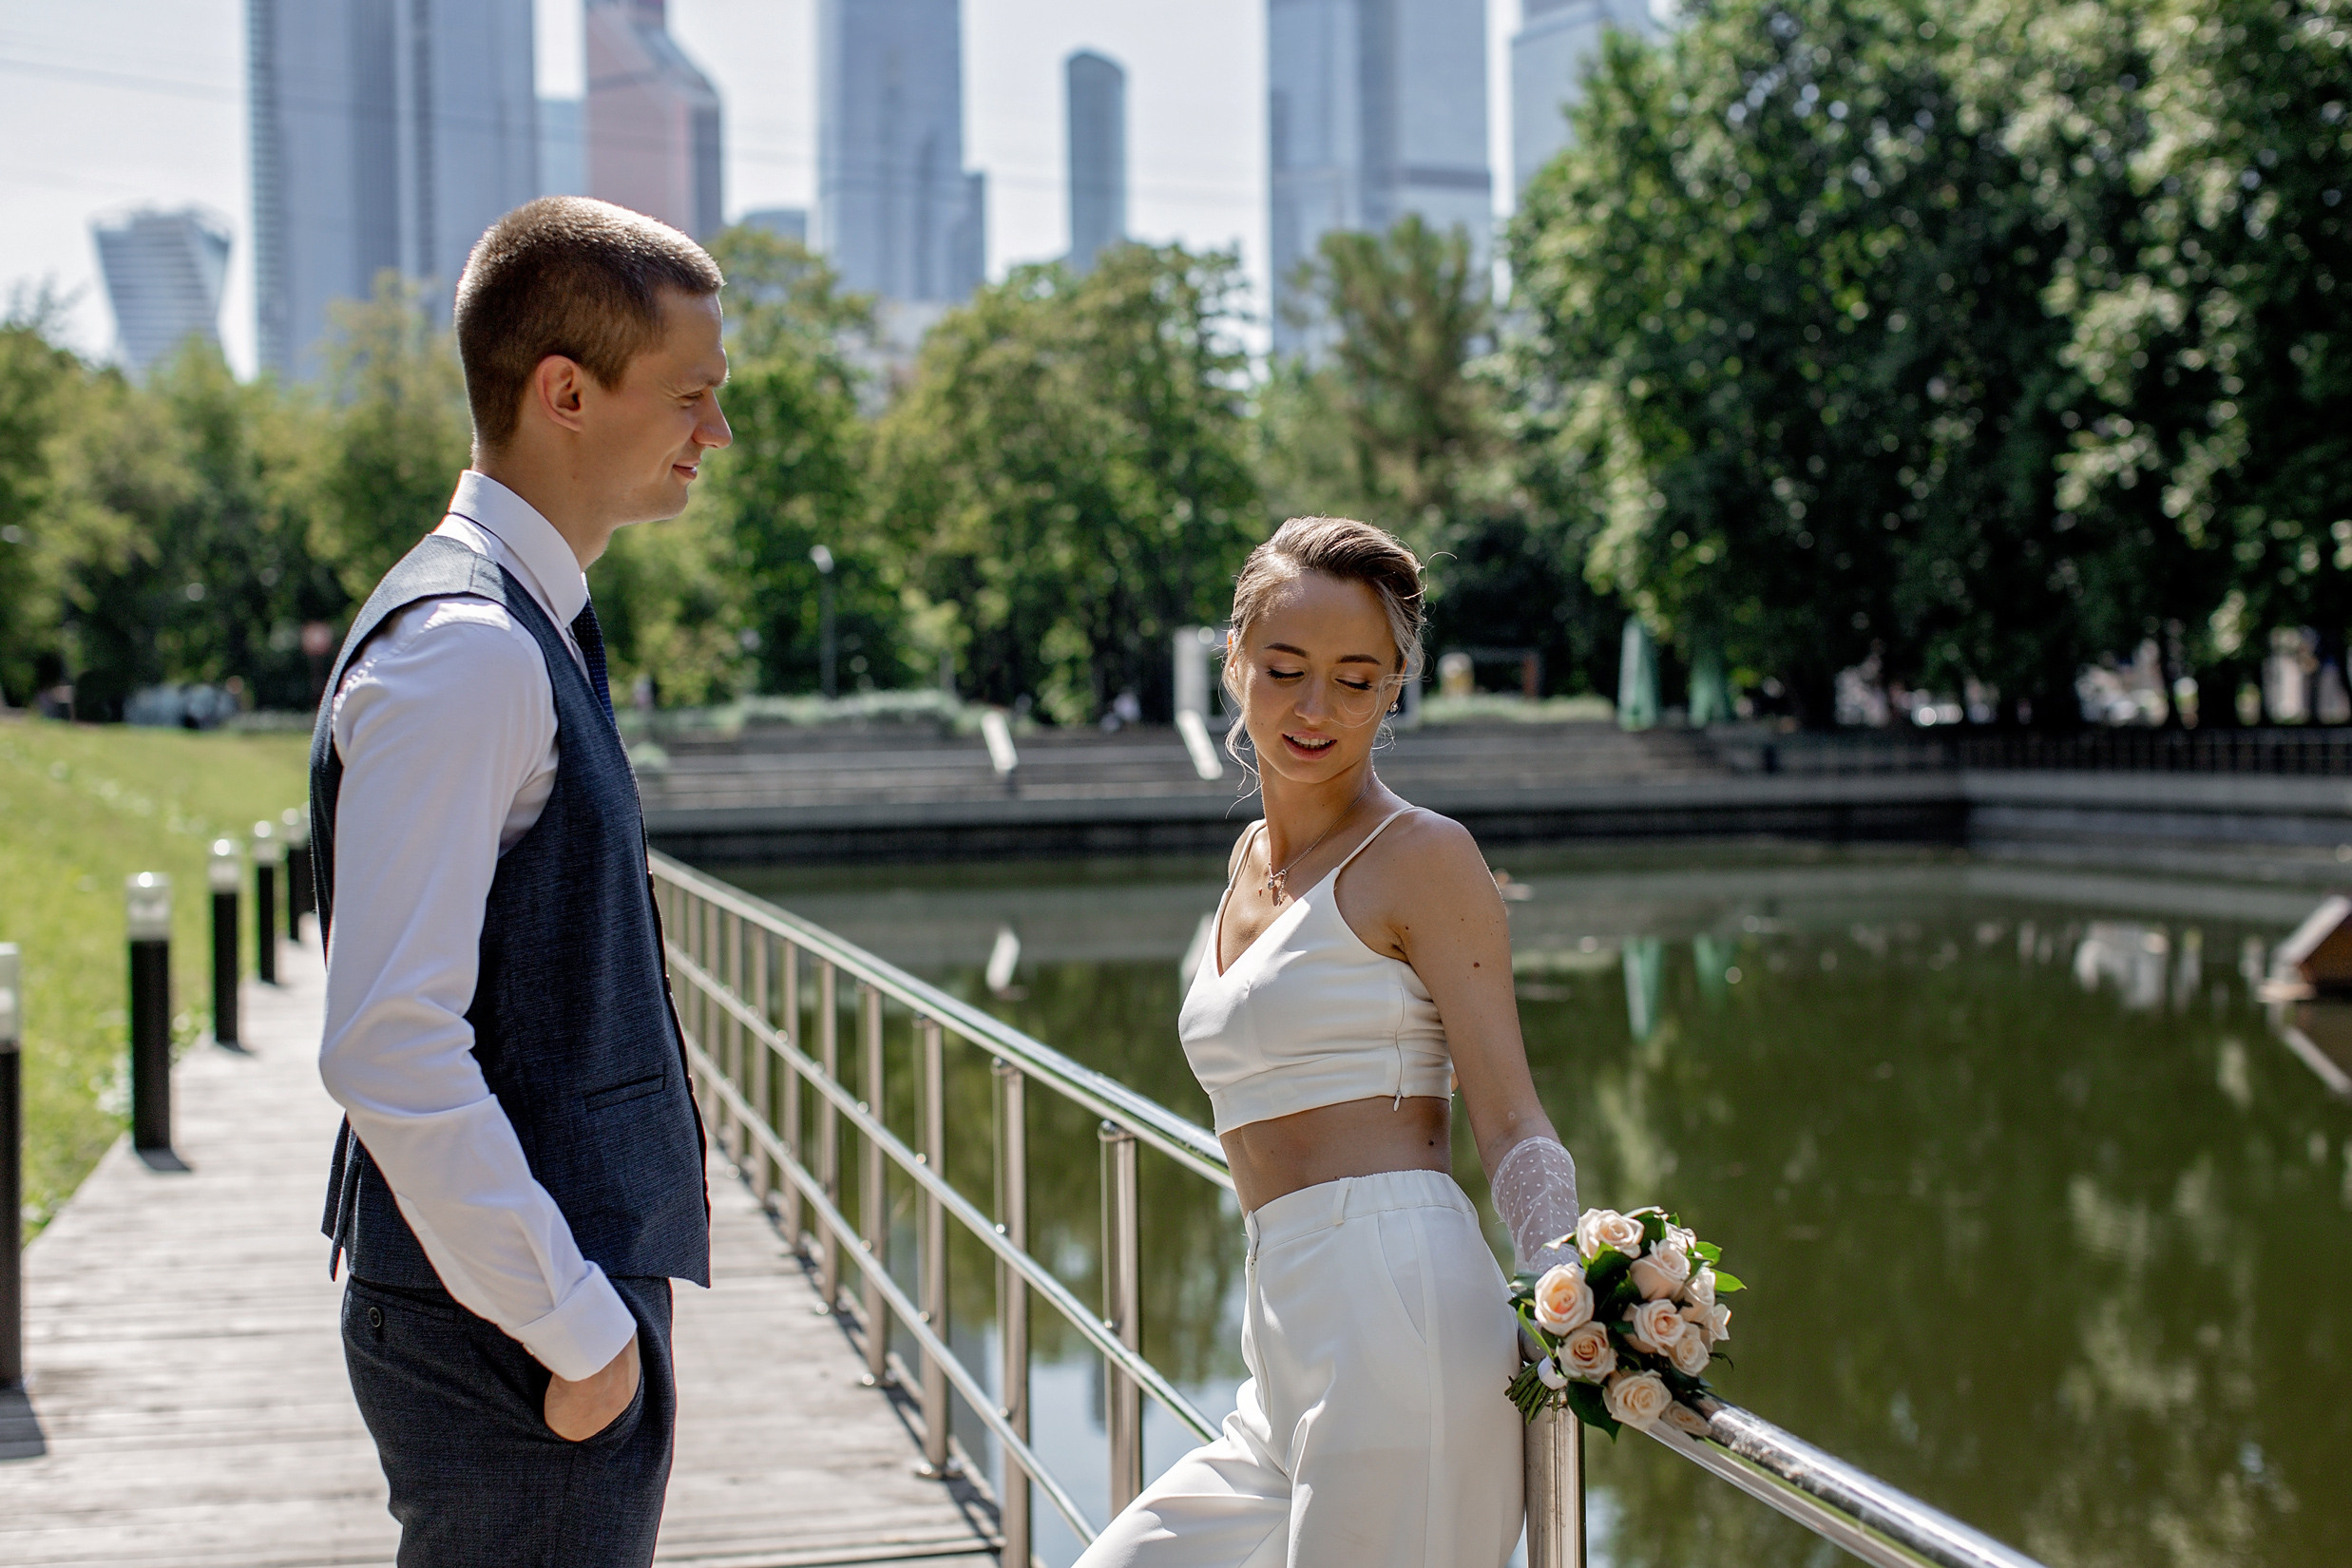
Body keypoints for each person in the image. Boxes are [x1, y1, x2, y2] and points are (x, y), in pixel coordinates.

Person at [308, 196, 732, 1566]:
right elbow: (389, 1044)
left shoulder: (514, 623)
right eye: (690, 395)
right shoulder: (470, 652)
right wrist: (581, 1331)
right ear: (564, 392)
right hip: (516, 1347)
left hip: (520, 1322)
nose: (712, 434)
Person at [1076, 516, 1584, 1568]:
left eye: (1356, 680)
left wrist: (1573, 1291)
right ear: (1234, 662)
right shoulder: (1248, 856)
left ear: (1395, 686)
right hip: (1282, 1327)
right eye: (1285, 669)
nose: (1315, 709)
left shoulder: (1425, 856)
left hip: (1401, 1315)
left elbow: (1510, 1112)